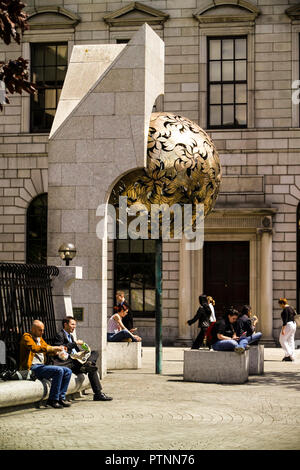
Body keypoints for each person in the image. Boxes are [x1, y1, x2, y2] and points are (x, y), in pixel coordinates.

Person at [52, 317, 112, 402]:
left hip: (78, 360)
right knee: (92, 369)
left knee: (94, 353)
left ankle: (89, 364)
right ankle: (98, 394)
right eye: (72, 324)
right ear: (65, 324)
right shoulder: (60, 335)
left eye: (75, 325)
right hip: (70, 361)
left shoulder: (71, 336)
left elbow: (76, 351)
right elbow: (61, 349)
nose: (74, 327)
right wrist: (75, 343)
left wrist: (84, 352)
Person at [19, 320, 72, 409]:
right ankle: (53, 399)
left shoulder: (40, 339)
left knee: (68, 371)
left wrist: (58, 352)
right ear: (33, 329)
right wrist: (52, 348)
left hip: (41, 366)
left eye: (43, 330)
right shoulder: (26, 337)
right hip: (31, 367)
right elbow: (35, 348)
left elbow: (47, 350)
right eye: (40, 330)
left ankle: (61, 397)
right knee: (58, 371)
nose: (42, 332)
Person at [278, 298, 297, 362]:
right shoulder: (291, 308)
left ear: (283, 303)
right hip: (294, 324)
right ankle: (290, 356)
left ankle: (289, 354)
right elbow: (295, 314)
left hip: (288, 325)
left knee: (281, 340)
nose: (280, 306)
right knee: (290, 340)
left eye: (280, 305)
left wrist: (283, 329)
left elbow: (285, 321)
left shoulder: (285, 309)